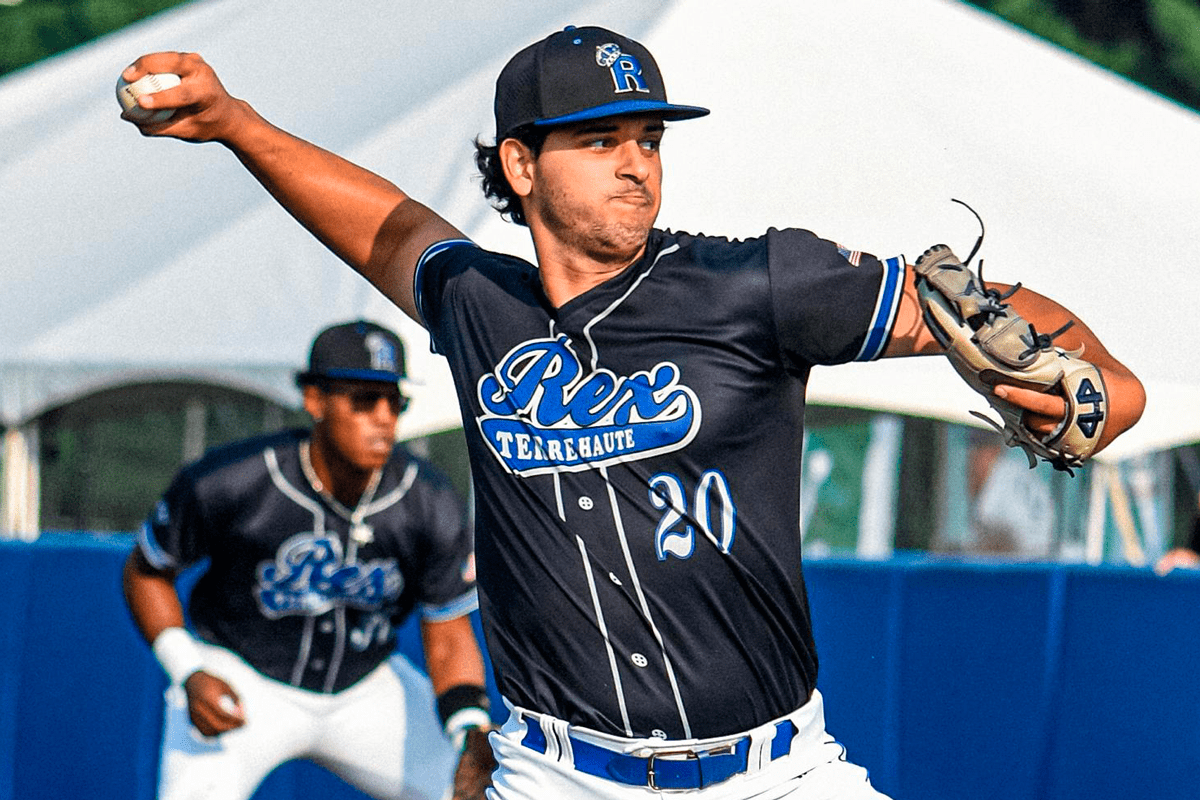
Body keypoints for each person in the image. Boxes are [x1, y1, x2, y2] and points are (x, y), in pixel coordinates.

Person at [119, 25, 1146, 799]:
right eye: (600, 138)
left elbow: (971, 305)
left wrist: (1108, 379)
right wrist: (236, 124)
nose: (636, 162)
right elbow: (387, 228)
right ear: (521, 165)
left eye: (649, 137)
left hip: (774, 773)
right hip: (557, 774)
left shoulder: (756, 284)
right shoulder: (483, 307)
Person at [122, 320, 495, 800]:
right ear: (314, 399)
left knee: (479, 785)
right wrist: (187, 669)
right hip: (242, 679)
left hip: (365, 688)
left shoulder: (427, 498)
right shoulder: (233, 479)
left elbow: (447, 630)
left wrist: (469, 728)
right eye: (364, 400)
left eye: (395, 402)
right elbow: (146, 572)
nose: (384, 417)